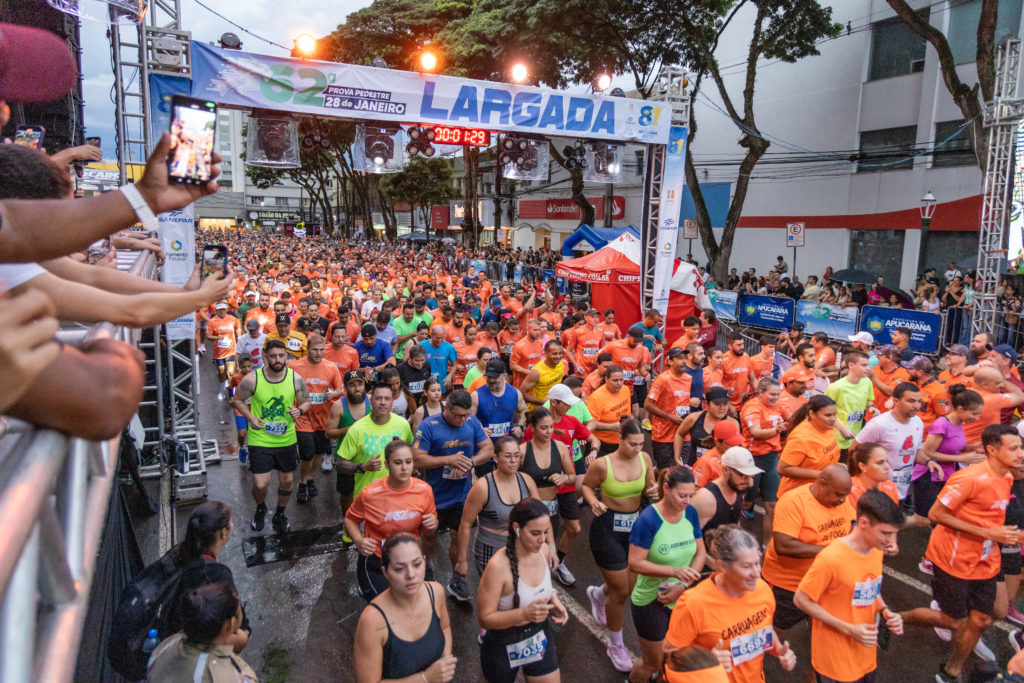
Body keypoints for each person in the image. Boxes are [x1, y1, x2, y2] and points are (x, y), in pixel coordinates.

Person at [899, 425, 1024, 682]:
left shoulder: (1008, 477)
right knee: (953, 620)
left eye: (1020, 447)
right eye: (1014, 448)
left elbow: (994, 518)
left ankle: (951, 670)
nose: (1021, 453)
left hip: (985, 559)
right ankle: (891, 617)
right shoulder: (969, 478)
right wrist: (989, 533)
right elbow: (936, 514)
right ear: (992, 450)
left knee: (980, 620)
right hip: (953, 559)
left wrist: (1006, 535)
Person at [793, 489, 906, 683]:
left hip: (865, 655)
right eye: (886, 534)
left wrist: (885, 611)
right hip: (835, 662)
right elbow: (801, 599)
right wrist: (848, 629)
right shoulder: (831, 559)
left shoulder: (875, 551)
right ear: (863, 523)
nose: (891, 542)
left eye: (894, 535)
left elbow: (869, 587)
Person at [664, 525, 798, 681]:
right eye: (746, 566)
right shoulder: (693, 603)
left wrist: (779, 650)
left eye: (757, 563)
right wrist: (708, 662)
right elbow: (669, 654)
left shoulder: (762, 589)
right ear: (723, 566)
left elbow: (764, 630)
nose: (756, 573)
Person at [582, 418, 658, 673]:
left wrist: (655, 491)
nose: (637, 448)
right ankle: (616, 645)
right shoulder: (603, 465)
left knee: (626, 585)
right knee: (622, 593)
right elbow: (586, 486)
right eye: (633, 444)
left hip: (635, 528)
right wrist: (593, 501)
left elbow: (650, 488)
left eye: (641, 444)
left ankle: (598, 594)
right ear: (620, 440)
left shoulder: (645, 459)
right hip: (607, 529)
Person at [412, 389, 494, 602]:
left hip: (461, 495)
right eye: (457, 415)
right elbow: (417, 459)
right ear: (446, 407)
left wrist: (471, 462)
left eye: (465, 415)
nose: (462, 420)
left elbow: (488, 448)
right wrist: (447, 460)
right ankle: (428, 564)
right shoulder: (429, 425)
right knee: (429, 535)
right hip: (433, 495)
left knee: (459, 537)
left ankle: (457, 578)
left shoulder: (472, 422)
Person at [627, 467, 706, 683]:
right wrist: (673, 571)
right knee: (653, 662)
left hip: (680, 598)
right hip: (651, 600)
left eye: (691, 495)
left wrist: (682, 585)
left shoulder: (690, 513)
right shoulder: (648, 520)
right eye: (682, 495)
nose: (687, 501)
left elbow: (701, 553)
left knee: (675, 660)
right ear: (666, 489)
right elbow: (634, 563)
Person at [476, 499, 569, 683]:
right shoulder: (498, 566)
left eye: (545, 532)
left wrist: (554, 599)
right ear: (517, 528)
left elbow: (538, 586)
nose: (542, 539)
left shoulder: (543, 550)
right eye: (535, 533)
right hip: (502, 641)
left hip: (538, 634)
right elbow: (485, 618)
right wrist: (524, 613)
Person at [761, 465, 856, 636]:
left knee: (820, 620)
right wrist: (833, 550)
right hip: (789, 585)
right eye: (839, 495)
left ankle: (818, 655)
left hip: (824, 580)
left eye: (845, 495)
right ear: (822, 484)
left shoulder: (842, 500)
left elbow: (851, 524)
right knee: (777, 629)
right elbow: (783, 545)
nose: (843, 500)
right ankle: (767, 656)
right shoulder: (794, 502)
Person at [230, 339, 311, 534]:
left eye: (281, 356)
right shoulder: (252, 379)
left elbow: (306, 401)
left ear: (286, 356)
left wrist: (299, 411)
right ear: (265, 357)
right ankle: (260, 508)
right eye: (273, 356)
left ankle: (280, 514)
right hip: (260, 438)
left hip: (286, 439)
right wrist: (250, 418)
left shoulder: (295, 379)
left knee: (287, 482)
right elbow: (236, 400)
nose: (277, 360)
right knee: (260, 483)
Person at [353, 533, 457, 683]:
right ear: (385, 572)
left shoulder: (436, 592)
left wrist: (445, 662)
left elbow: (445, 627)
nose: (411, 574)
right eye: (399, 568)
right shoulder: (372, 621)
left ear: (425, 562)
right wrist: (426, 678)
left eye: (417, 564)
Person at [345, 440, 439, 600]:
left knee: (417, 605)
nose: (404, 468)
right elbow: (350, 519)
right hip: (377, 560)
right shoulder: (371, 493)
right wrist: (358, 540)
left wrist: (433, 525)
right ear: (387, 465)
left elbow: (429, 532)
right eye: (398, 463)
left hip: (409, 560)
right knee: (385, 609)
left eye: (408, 462)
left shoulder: (424, 490)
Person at [914, 385, 985, 561]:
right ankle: (887, 529)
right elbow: (928, 452)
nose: (975, 418)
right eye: (974, 414)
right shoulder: (941, 424)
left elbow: (952, 446)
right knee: (923, 520)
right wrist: (964, 457)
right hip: (928, 475)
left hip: (945, 476)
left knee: (943, 517)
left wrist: (970, 447)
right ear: (960, 409)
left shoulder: (959, 423)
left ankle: (934, 556)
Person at [454, 436, 541, 577]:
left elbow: (540, 516)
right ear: (495, 458)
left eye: (517, 456)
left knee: (519, 593)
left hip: (521, 546)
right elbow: (465, 524)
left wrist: (549, 548)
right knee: (496, 595)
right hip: (490, 549)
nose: (513, 461)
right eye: (507, 456)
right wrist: (462, 560)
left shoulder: (526, 481)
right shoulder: (483, 487)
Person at [854, 382, 936, 521]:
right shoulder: (879, 425)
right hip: (877, 492)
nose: (916, 406)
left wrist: (928, 462)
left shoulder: (918, 422)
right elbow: (854, 451)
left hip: (901, 490)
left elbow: (915, 451)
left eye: (919, 401)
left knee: (891, 529)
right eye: (911, 401)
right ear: (896, 401)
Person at [146, 582, 257, 683]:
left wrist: (226, 642)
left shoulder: (167, 644)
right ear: (232, 623)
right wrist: (236, 650)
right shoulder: (222, 676)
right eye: (239, 607)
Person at [519, 407, 577, 584]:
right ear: (533, 428)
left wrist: (564, 478)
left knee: (545, 549)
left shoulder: (559, 447)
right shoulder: (522, 451)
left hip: (551, 509)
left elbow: (573, 477)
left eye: (551, 427)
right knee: (529, 553)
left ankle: (549, 577)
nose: (549, 431)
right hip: (528, 511)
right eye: (544, 428)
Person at [336, 381, 414, 500]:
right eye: (378, 398)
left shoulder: (403, 425)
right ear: (371, 401)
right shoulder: (357, 428)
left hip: (398, 496)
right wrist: (362, 467)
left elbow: (412, 454)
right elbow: (340, 463)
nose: (383, 402)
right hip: (367, 498)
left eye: (387, 398)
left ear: (392, 401)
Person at [290, 333, 343, 504]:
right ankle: (302, 483)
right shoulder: (294, 366)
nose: (319, 353)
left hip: (324, 418)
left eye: (322, 350)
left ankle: (310, 477)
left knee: (319, 452)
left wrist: (333, 393)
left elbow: (340, 389)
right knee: (307, 453)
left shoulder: (331, 367)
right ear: (307, 349)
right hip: (303, 417)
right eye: (315, 350)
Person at [740, 377, 785, 544]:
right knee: (746, 503)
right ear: (760, 393)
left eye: (778, 394)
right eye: (772, 394)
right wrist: (776, 431)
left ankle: (765, 546)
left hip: (771, 458)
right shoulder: (752, 407)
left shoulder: (777, 404)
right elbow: (756, 432)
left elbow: (792, 416)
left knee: (772, 506)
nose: (775, 398)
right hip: (752, 459)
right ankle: (740, 539)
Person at [777, 395, 841, 499]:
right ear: (812, 414)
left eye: (834, 414)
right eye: (828, 415)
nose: (833, 419)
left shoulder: (826, 427)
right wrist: (822, 474)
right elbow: (782, 468)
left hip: (817, 493)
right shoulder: (801, 438)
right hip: (796, 498)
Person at [644, 346, 696, 469]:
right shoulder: (662, 379)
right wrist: (669, 417)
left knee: (680, 471)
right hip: (663, 436)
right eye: (679, 358)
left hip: (683, 434)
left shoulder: (688, 379)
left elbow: (680, 401)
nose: (684, 361)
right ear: (670, 361)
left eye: (685, 358)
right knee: (666, 472)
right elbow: (647, 404)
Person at [325, 370, 370, 507]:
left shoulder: (372, 401)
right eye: (352, 385)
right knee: (346, 495)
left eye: (360, 384)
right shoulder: (339, 405)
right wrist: (350, 430)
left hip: (369, 456)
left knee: (370, 492)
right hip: (346, 459)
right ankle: (347, 523)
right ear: (345, 388)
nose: (357, 388)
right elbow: (328, 433)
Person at [692, 447, 760, 537]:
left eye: (750, 475)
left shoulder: (737, 490)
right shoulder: (706, 498)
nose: (747, 480)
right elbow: (690, 537)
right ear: (725, 470)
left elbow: (735, 524)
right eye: (742, 475)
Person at [824, 349, 874, 452]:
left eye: (868, 365)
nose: (868, 369)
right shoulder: (836, 387)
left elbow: (868, 401)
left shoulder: (867, 382)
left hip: (855, 439)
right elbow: (823, 413)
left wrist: (872, 408)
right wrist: (841, 428)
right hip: (834, 440)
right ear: (851, 365)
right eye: (864, 365)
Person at [673, 386, 734, 467]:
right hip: (695, 468)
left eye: (725, 404)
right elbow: (679, 434)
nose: (722, 408)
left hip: (720, 471)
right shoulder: (693, 418)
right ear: (706, 404)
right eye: (717, 404)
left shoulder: (732, 423)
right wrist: (677, 458)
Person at [587, 364, 633, 456]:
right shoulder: (597, 397)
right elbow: (590, 424)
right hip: (603, 444)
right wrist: (611, 427)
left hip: (621, 441)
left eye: (621, 380)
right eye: (615, 380)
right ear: (606, 379)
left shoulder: (625, 390)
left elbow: (627, 411)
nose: (619, 383)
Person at [847, 442, 900, 510]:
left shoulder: (891, 486)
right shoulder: (848, 491)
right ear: (863, 466)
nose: (887, 467)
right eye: (880, 462)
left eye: (887, 461)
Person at [519, 340, 568, 405]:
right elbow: (521, 393)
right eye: (554, 354)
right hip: (539, 412)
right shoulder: (536, 372)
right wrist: (545, 403)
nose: (558, 356)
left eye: (560, 353)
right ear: (546, 353)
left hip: (556, 409)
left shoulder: (561, 364)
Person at [721, 333, 754, 409]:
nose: (742, 347)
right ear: (730, 346)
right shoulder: (722, 360)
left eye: (743, 344)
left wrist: (760, 391)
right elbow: (717, 384)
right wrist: (726, 404)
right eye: (739, 345)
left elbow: (752, 379)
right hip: (727, 405)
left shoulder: (746, 356)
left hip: (743, 403)